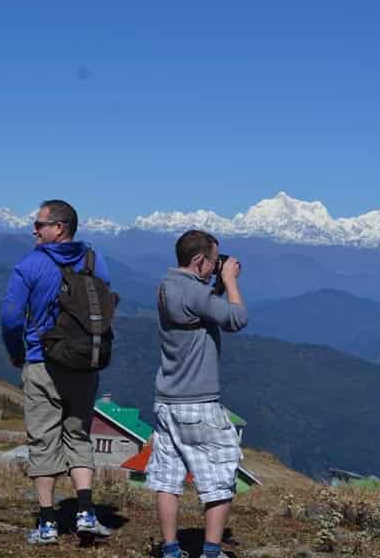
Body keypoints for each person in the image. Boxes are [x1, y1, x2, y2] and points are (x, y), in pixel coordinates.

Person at [0, 199, 114, 545]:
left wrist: (18, 353)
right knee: (78, 436)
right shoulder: (96, 261)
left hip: (42, 362)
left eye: (39, 224)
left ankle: (48, 523)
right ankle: (86, 512)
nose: (34, 229)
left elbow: (10, 316)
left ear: (59, 228)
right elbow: (107, 307)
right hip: (84, 364)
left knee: (43, 440)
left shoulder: (31, 264)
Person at [146, 229, 248, 558]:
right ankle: (211, 551)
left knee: (167, 477)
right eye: (214, 262)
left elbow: (202, 307)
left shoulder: (167, 287)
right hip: (199, 402)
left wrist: (215, 282)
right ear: (198, 260)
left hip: (167, 400)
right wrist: (231, 281)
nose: (217, 267)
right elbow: (236, 319)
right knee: (220, 474)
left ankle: (171, 549)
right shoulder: (193, 292)